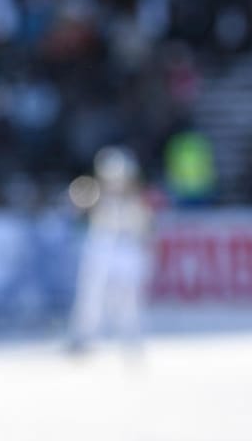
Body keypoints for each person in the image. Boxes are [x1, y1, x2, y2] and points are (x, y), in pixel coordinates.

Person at [66, 146, 154, 354]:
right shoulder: (95, 193)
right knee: (92, 294)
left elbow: (145, 226)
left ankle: (131, 338)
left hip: (126, 248)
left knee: (128, 298)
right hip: (103, 246)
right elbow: (77, 209)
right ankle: (84, 336)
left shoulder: (137, 199)